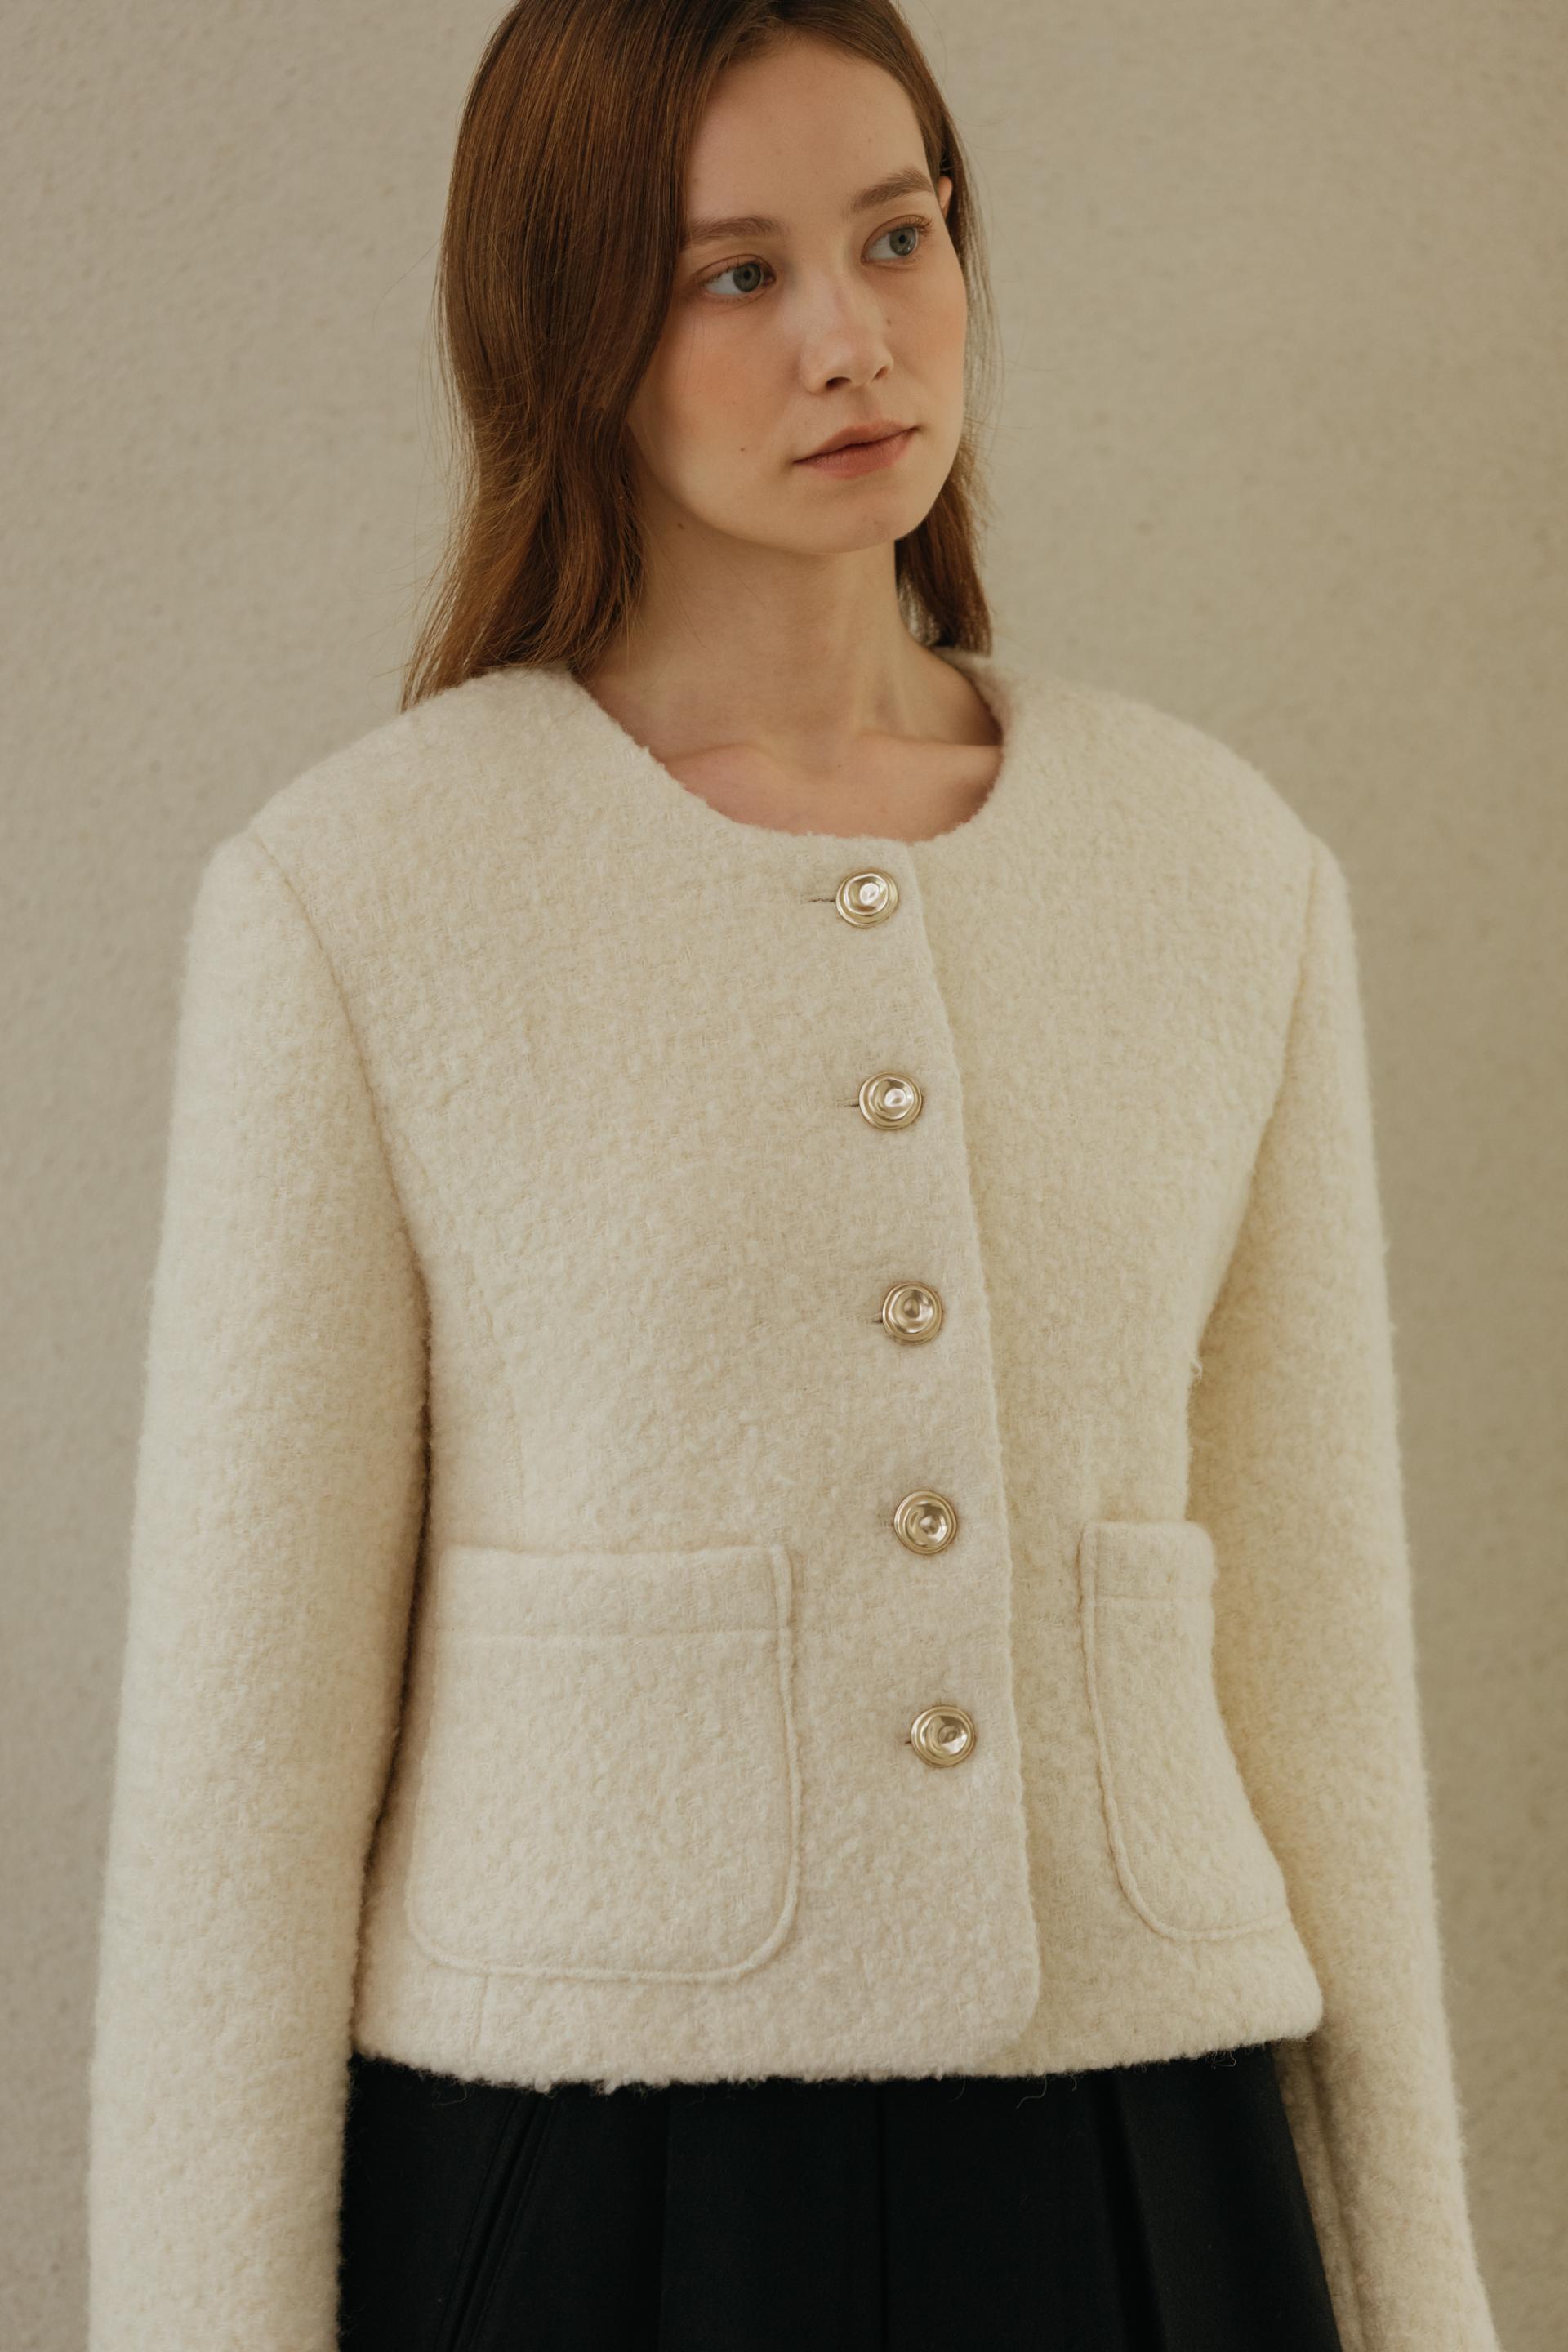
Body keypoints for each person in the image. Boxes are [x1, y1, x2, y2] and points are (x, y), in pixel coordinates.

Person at [86, 3, 1502, 2348]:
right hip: (591, 2195)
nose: (854, 339)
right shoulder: (367, 898)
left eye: (900, 236)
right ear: (566, 329)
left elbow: (1323, 1681)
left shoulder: (1222, 873)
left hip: (1151, 2179)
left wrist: (1420, 2297)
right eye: (733, 273)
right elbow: (239, 1788)